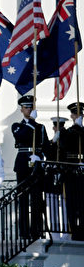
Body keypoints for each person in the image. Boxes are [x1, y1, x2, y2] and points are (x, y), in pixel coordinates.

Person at [11, 95, 50, 238]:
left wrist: (41, 156)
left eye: (31, 107)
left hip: (36, 164)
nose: (29, 109)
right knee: (23, 198)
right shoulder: (17, 126)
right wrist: (31, 122)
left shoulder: (40, 127)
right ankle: (24, 232)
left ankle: (37, 230)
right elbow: (20, 136)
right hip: (22, 164)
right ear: (21, 109)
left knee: (37, 199)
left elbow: (46, 147)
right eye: (26, 107)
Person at [61, 102, 84, 240]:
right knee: (72, 202)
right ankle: (74, 230)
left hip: (83, 169)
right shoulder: (67, 132)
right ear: (72, 116)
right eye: (76, 114)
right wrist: (76, 127)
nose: (79, 116)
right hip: (71, 170)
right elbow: (65, 145)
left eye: (81, 114)